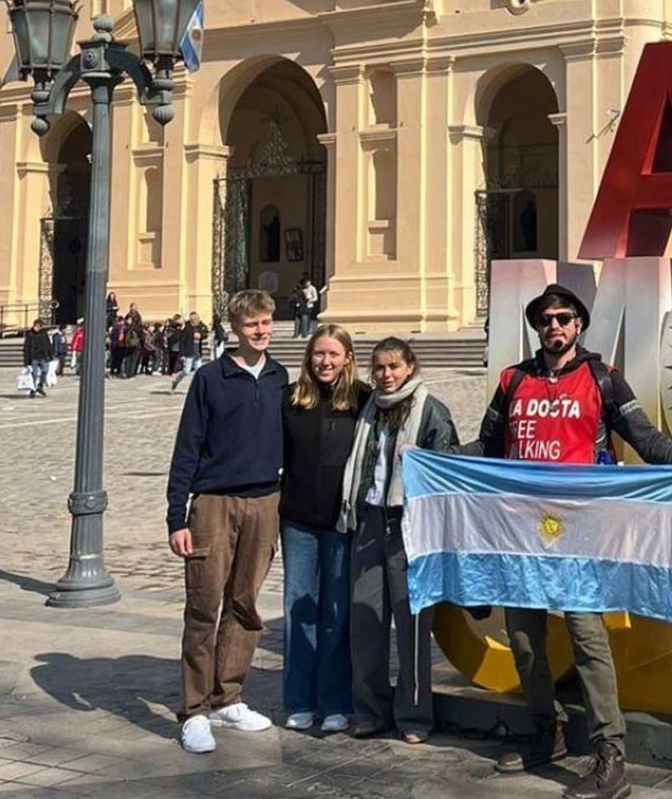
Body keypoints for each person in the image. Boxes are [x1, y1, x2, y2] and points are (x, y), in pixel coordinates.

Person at [461, 283, 672, 799]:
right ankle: (546, 730)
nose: (554, 326)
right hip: (521, 532)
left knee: (588, 640)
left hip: (581, 533)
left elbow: (645, 438)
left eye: (563, 318)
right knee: (524, 641)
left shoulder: (603, 378)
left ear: (578, 324)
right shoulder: (513, 380)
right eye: (545, 319)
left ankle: (610, 753)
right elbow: (488, 445)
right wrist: (436, 457)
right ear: (537, 327)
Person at [165, 289, 288, 755]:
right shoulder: (210, 379)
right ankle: (195, 710)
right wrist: (177, 517)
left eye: (266, 322)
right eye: (252, 324)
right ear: (235, 328)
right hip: (214, 503)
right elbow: (187, 447)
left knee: (245, 606)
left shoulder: (279, 377)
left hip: (265, 501)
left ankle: (228, 697)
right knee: (203, 607)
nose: (261, 331)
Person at [339, 337, 458, 743]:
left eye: (394, 366)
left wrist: (423, 458)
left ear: (410, 367)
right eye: (379, 367)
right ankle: (370, 710)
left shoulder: (431, 410)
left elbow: (450, 464)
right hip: (370, 521)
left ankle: (414, 717)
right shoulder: (368, 408)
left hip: (410, 525)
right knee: (366, 622)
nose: (386, 374)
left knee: (412, 625)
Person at [280, 324, 368, 735]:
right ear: (308, 357)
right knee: (299, 609)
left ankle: (335, 701)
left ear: (347, 358)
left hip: (341, 521)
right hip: (298, 520)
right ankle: (299, 700)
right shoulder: (291, 399)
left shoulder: (363, 400)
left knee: (336, 612)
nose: (325, 362)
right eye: (319, 354)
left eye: (333, 354)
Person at [172, 312, 208, 391]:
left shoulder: (199, 327)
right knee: (186, 371)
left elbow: (205, 334)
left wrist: (201, 335)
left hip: (197, 353)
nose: (198, 320)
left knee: (199, 372)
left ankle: (199, 389)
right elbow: (182, 342)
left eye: (198, 319)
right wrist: (182, 354)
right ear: (192, 320)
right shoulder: (187, 329)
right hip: (189, 353)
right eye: (196, 319)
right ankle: (176, 381)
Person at [23, 319, 53, 398]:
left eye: (38, 326)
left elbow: (48, 345)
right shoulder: (30, 334)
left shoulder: (44, 334)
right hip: (34, 358)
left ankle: (40, 386)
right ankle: (33, 389)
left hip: (43, 357)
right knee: (34, 374)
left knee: (45, 371)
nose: (36, 328)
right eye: (35, 326)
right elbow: (26, 348)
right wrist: (26, 361)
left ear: (41, 327)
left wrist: (50, 356)